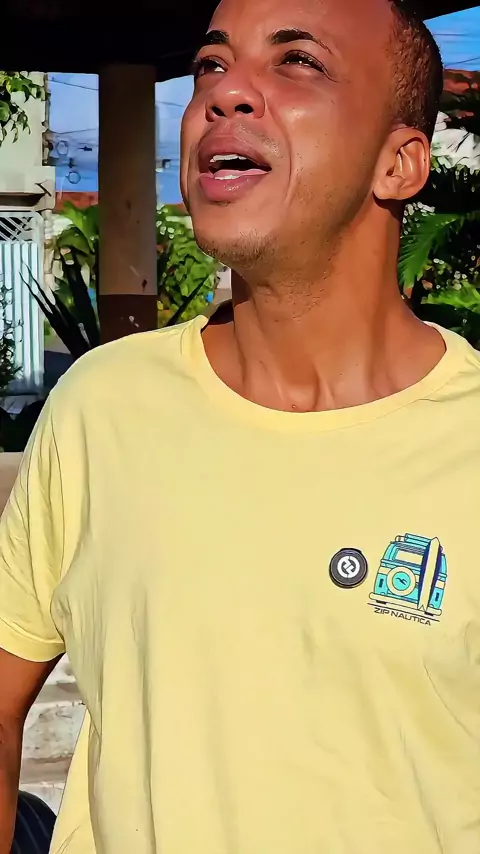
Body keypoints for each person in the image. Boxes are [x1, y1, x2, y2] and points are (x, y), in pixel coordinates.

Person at [1, 0, 478, 852]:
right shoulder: (100, 408)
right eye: (211, 65)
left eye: (298, 62)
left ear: (401, 162)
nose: (225, 93)